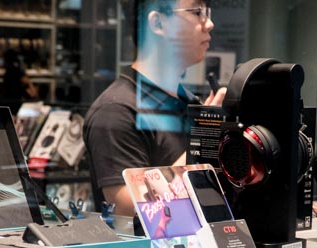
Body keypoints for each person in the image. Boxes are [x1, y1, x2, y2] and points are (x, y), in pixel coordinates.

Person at [84, 0, 225, 216]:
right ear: (158, 23)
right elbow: (128, 208)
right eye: (197, 12)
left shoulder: (190, 103)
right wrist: (203, 140)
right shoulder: (116, 111)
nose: (209, 23)